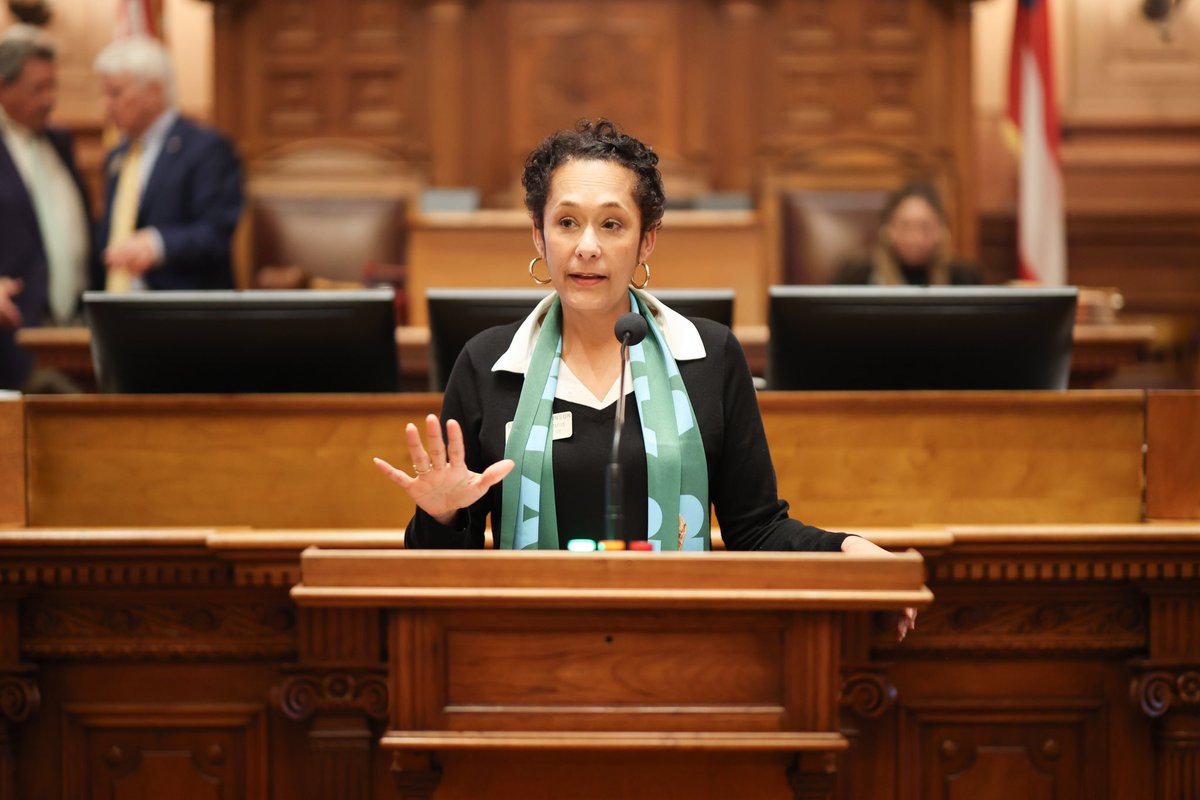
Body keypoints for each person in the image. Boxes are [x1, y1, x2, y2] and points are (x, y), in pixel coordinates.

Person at [374, 119, 915, 640]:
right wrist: (441, 515)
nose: (587, 246)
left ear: (646, 241)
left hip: (681, 642)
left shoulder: (708, 356)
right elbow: (446, 571)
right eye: (566, 223)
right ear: (538, 236)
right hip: (530, 644)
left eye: (612, 224)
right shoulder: (489, 364)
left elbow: (756, 530)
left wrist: (848, 549)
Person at [92, 35, 242, 292]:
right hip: (120, 310)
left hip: (185, 314)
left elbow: (216, 233)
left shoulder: (206, 149)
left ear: (154, 91)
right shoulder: (117, 155)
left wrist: (158, 244)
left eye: (116, 92)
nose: (106, 104)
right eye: (105, 93)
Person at [0, 32, 93, 390]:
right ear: (3, 87)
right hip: (15, 335)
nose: (51, 100)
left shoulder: (59, 141)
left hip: (74, 330)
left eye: (53, 86)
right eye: (38, 88)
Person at [833, 181, 983, 286]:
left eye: (925, 227)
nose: (915, 238)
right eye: (905, 226)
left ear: (940, 230)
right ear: (888, 229)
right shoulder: (855, 276)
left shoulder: (965, 278)